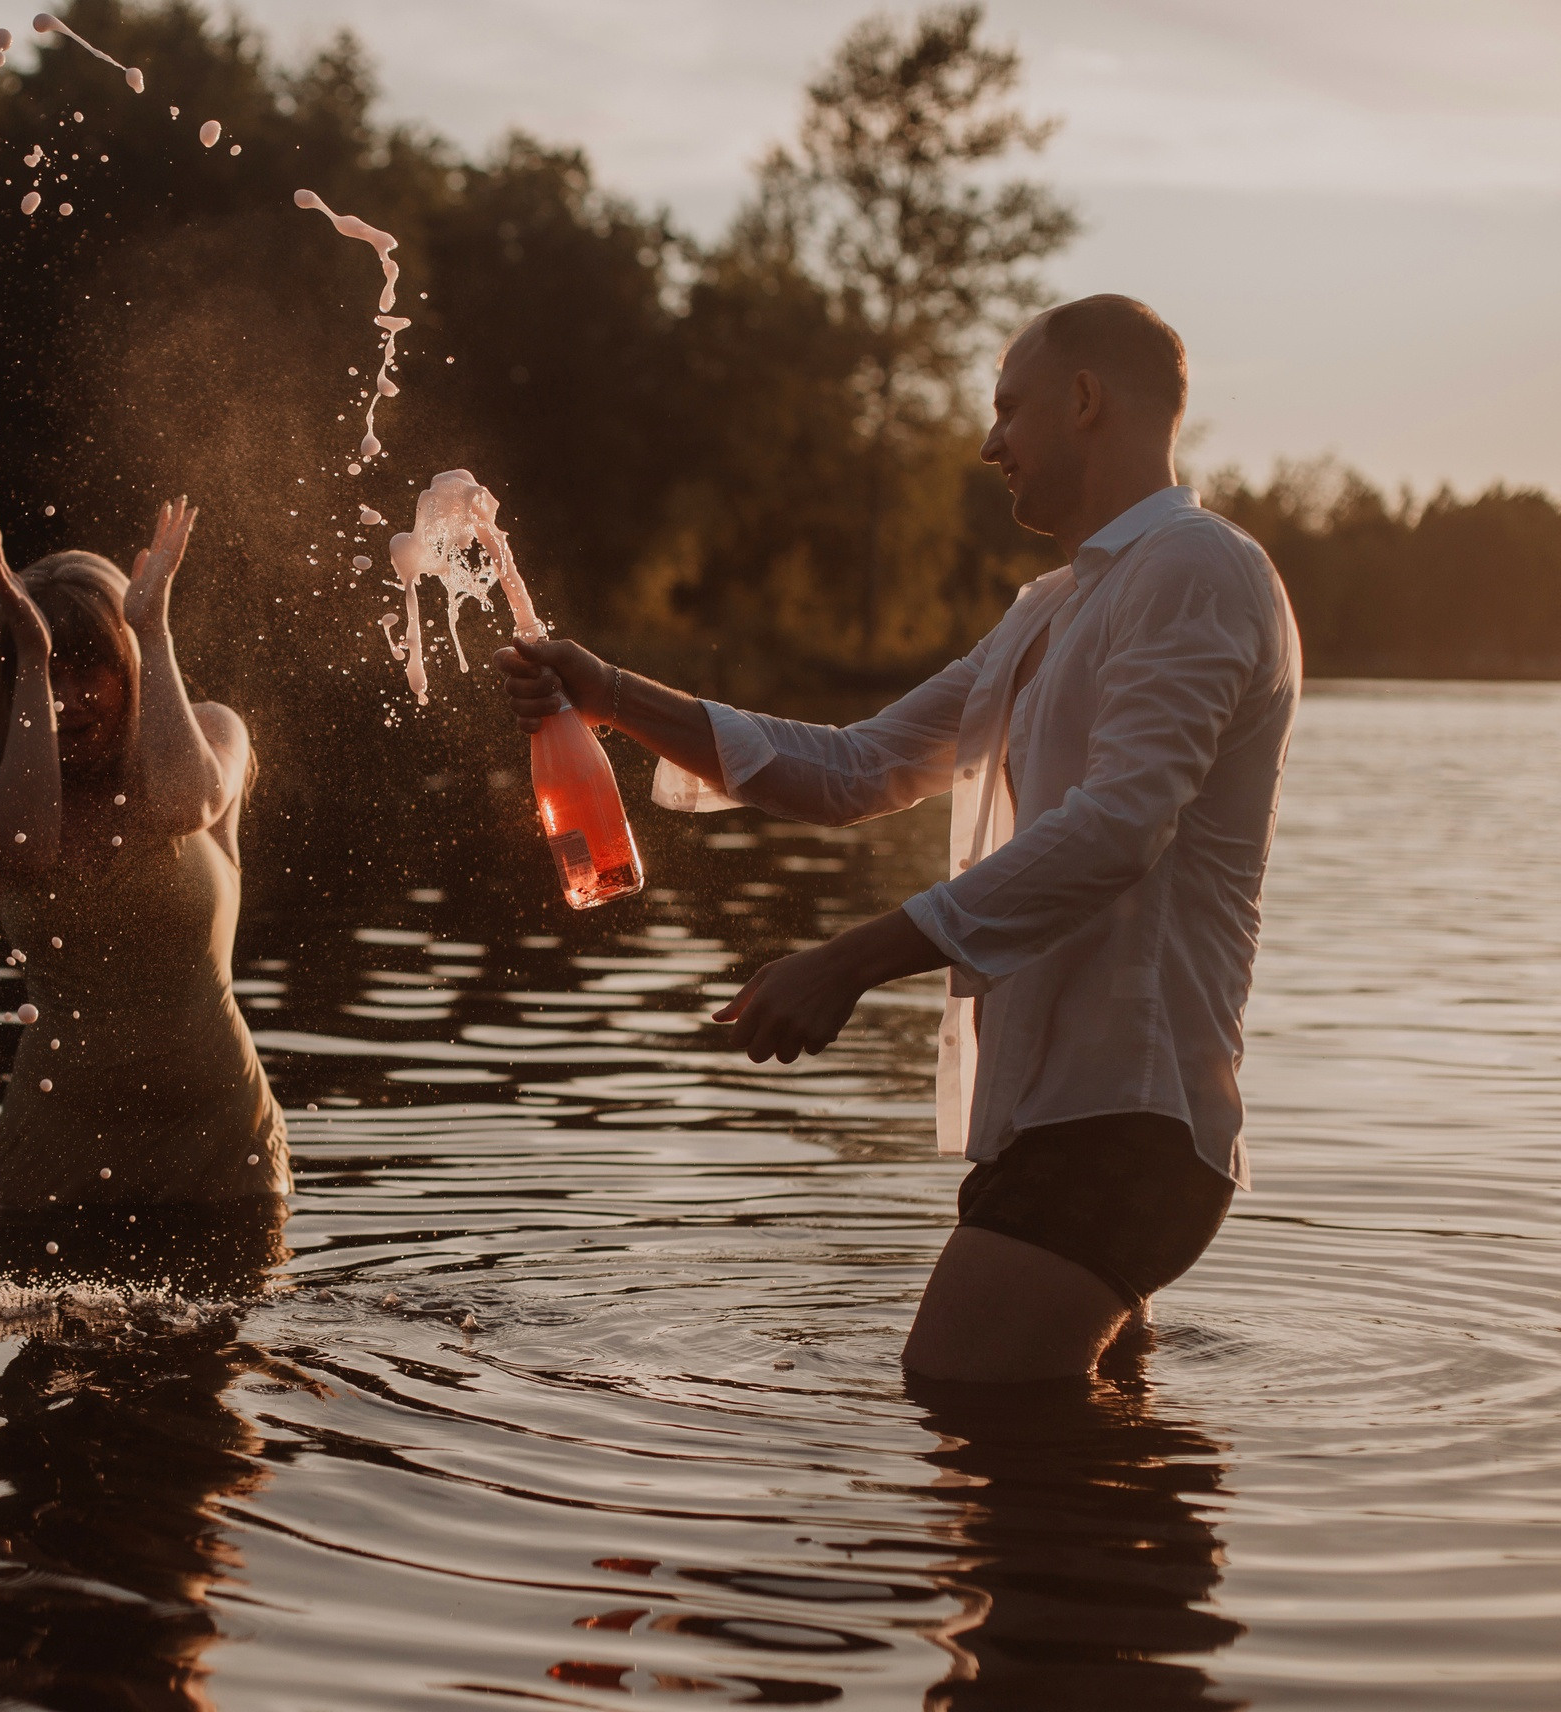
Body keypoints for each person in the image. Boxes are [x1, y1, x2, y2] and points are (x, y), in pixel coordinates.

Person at [494, 296, 1300, 1382]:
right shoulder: (1052, 608)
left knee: (953, 1397)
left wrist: (851, 959)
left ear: (1084, 400)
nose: (988, 444)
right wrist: (614, 694)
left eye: (1008, 409)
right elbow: (858, 767)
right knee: (1066, 1485)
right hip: (1056, 1115)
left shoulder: (1195, 569)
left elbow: (1116, 830)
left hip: (1133, 1114)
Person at [0, 499, 287, 1281]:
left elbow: (183, 805)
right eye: (47, 669)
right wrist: (30, 657)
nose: (71, 694)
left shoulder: (209, 734)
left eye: (92, 662)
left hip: (218, 1136)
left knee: (216, 1386)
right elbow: (27, 848)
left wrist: (152, 626)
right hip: (57, 1142)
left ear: (129, 663)